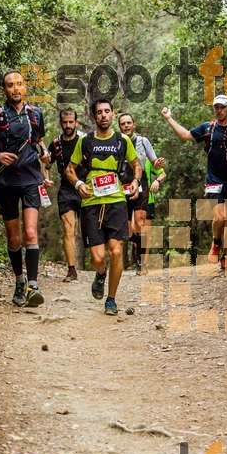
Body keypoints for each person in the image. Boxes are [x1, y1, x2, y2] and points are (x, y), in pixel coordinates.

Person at [0, 69, 50, 306]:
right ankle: (19, 280)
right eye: (10, 85)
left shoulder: (35, 114)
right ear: (4, 89)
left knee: (29, 232)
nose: (15, 89)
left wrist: (45, 154)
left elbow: (37, 141)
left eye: (19, 84)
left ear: (24, 87)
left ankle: (32, 286)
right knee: (14, 237)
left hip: (31, 179)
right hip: (5, 182)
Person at [161, 95, 227, 270]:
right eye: (216, 107)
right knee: (220, 217)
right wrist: (169, 118)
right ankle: (215, 243)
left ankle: (226, 256)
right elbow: (185, 135)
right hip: (214, 180)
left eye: (222, 107)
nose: (219, 110)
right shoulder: (208, 128)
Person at [65, 98, 142, 315]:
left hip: (116, 202)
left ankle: (111, 299)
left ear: (113, 115)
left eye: (107, 111)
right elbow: (70, 170)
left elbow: (136, 165)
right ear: (94, 117)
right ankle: (100, 274)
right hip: (91, 203)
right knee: (98, 258)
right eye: (99, 112)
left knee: (116, 251)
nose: (103, 115)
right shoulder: (85, 141)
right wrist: (79, 184)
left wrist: (135, 182)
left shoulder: (122, 140)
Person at [117, 113, 165, 274]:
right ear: (119, 127)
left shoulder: (143, 142)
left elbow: (154, 162)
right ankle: (129, 255)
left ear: (134, 124)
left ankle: (141, 263)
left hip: (141, 182)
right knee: (126, 228)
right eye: (123, 124)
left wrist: (158, 164)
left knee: (140, 223)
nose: (126, 126)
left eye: (129, 123)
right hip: (121, 185)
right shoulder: (116, 142)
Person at [44, 108, 85, 282]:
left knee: (87, 231)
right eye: (65, 122)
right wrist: (46, 179)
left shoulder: (85, 140)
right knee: (68, 230)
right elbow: (47, 164)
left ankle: (99, 266)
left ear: (76, 122)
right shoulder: (56, 144)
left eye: (71, 122)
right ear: (60, 123)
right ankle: (71, 270)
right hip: (66, 190)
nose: (68, 125)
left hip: (86, 189)